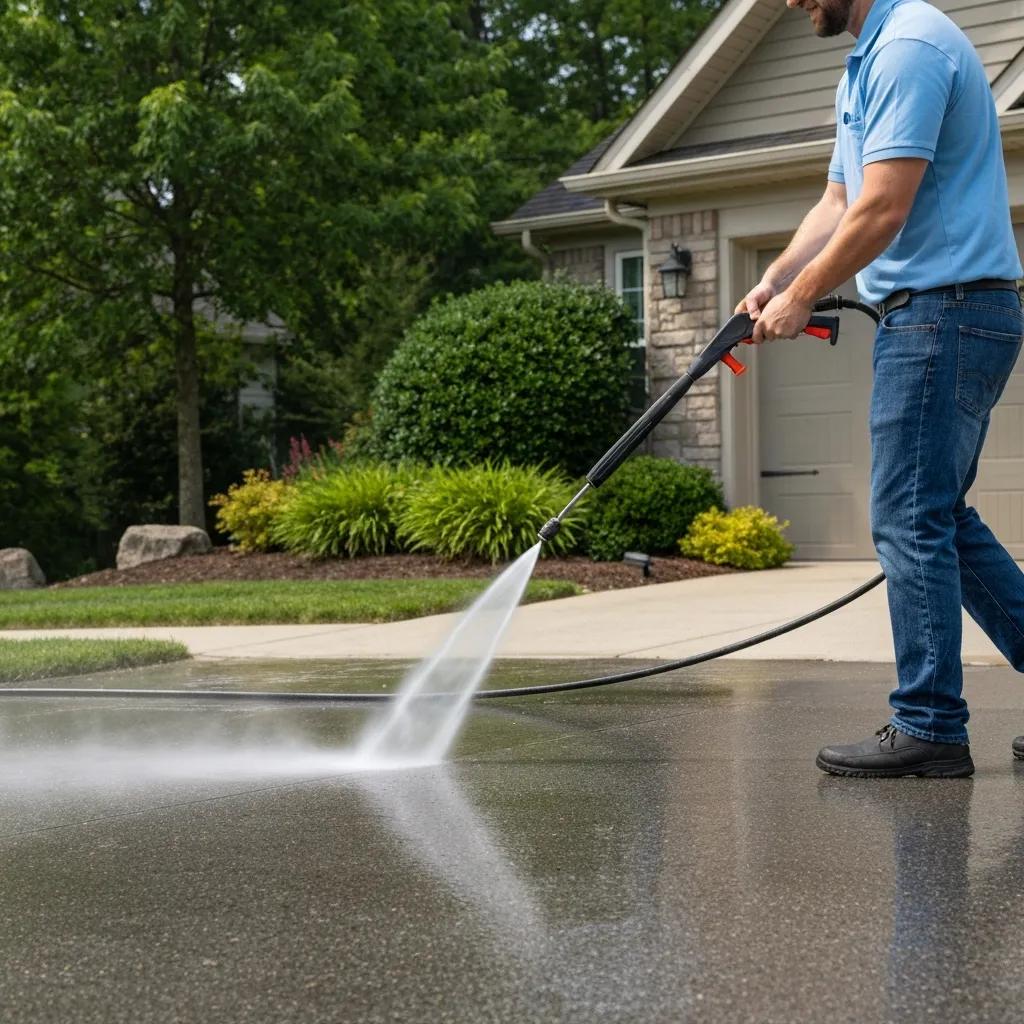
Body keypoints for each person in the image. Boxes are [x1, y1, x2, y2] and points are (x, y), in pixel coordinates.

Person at [737, 0, 1024, 777]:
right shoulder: (864, 62)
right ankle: (932, 718)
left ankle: (929, 726)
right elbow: (837, 201)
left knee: (907, 517)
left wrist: (805, 297)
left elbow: (883, 206)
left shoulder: (911, 47)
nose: (793, 3)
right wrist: (774, 278)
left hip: (947, 311)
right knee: (939, 519)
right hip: (941, 314)